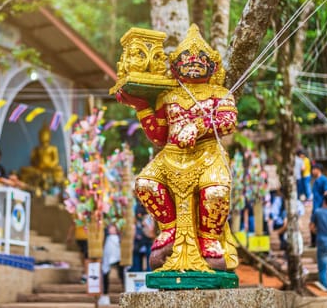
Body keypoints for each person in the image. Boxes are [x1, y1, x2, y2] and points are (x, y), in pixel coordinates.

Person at [116, 24, 238, 272]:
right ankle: (169, 228)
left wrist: (198, 126)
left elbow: (227, 122)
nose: (193, 63)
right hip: (172, 155)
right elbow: (159, 135)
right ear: (175, 65)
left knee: (215, 191)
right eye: (186, 60)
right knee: (145, 184)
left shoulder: (220, 92)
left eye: (200, 60)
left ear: (213, 64)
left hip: (207, 153)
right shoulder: (167, 95)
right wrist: (141, 107)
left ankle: (210, 238)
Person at [99, 224, 124, 306]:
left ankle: (125, 290)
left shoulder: (119, 237)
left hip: (118, 255)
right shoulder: (105, 237)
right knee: (105, 273)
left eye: (113, 228)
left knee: (121, 274)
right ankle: (105, 294)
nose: (112, 229)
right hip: (107, 255)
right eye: (110, 228)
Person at [130, 202, 154, 272]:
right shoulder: (139, 206)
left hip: (147, 238)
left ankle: (147, 273)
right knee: (138, 258)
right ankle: (139, 274)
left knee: (148, 258)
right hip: (141, 239)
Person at [310, 162, 327, 247]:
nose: (312, 171)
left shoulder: (324, 179)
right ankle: (314, 242)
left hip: (320, 206)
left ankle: (319, 242)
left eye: (314, 169)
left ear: (318, 170)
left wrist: (325, 204)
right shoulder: (315, 180)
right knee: (312, 224)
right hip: (315, 205)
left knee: (318, 224)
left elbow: (326, 191)